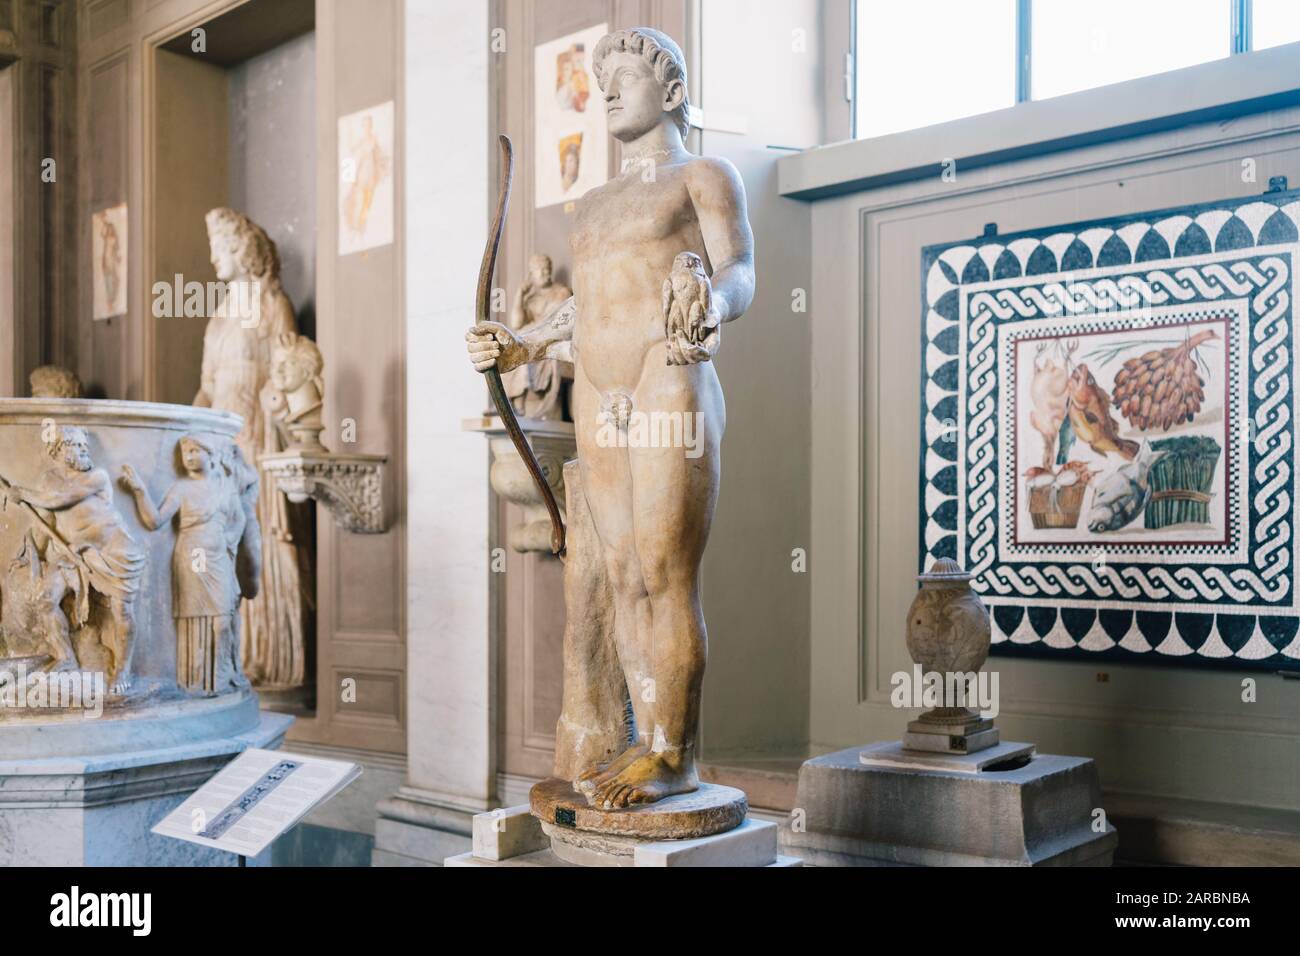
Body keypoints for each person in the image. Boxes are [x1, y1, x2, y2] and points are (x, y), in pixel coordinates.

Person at [466, 28, 754, 808]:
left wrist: (712, 303)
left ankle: (674, 756)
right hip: (596, 391)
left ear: (671, 89)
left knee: (667, 576)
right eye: (604, 82)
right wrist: (521, 345)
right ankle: (643, 740)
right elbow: (586, 309)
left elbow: (740, 269)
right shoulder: (590, 203)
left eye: (625, 76)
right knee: (624, 578)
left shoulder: (703, 174)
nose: (610, 92)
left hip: (668, 377)